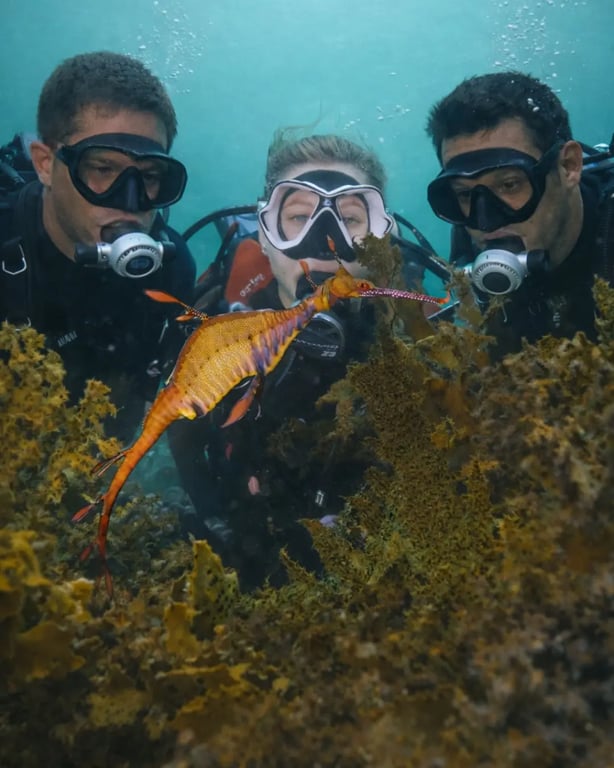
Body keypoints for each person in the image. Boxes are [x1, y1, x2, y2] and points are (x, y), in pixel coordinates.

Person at [170, 132, 419, 589]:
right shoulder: (220, 331)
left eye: (350, 219)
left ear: (382, 239)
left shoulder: (418, 335)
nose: (325, 243)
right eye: (300, 217)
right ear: (265, 236)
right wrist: (219, 524)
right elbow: (182, 439)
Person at [0, 51, 196, 443]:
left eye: (150, 176)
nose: (129, 201)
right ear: (44, 164)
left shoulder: (172, 270)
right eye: (102, 168)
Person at [425, 70, 614, 355]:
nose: (486, 222)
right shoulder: (467, 244)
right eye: (464, 194)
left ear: (568, 166)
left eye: (510, 184)